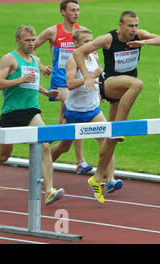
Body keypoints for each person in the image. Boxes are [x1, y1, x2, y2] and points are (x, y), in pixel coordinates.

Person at [73, 10, 160, 203]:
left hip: (124, 89)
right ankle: (120, 127)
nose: (134, 29)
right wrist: (88, 76)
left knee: (111, 139)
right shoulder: (108, 39)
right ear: (121, 26)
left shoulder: (140, 36)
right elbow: (78, 52)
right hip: (111, 83)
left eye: (136, 25)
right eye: (130, 26)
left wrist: (144, 42)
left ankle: (98, 176)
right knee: (138, 84)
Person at [0, 25, 64, 205]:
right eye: (27, 40)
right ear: (18, 41)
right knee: (4, 155)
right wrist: (20, 79)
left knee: (44, 144)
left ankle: (49, 190)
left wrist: (46, 92)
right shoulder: (9, 59)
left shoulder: (35, 60)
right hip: (11, 112)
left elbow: (32, 83)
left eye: (33, 40)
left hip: (31, 110)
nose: (32, 43)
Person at [50, 29, 123, 198]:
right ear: (76, 44)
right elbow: (69, 84)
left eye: (91, 41)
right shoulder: (72, 60)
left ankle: (111, 180)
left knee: (108, 141)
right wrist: (91, 75)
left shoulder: (94, 57)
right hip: (75, 111)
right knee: (64, 146)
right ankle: (41, 165)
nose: (89, 44)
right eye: (85, 42)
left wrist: (99, 94)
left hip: (93, 109)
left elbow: (97, 81)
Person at [33, 0, 92, 175]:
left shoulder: (82, 32)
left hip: (76, 82)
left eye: (78, 10)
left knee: (63, 126)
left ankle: (43, 151)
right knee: (76, 109)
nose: (76, 13)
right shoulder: (53, 32)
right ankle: (80, 161)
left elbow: (90, 55)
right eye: (73, 10)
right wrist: (41, 66)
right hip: (60, 83)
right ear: (63, 12)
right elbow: (28, 50)